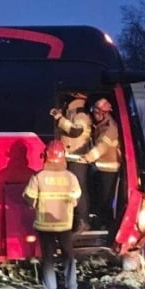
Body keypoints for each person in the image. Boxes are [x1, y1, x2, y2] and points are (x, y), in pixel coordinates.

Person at [24, 140, 82, 289]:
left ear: (46, 157)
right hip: (64, 224)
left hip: (45, 225)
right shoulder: (71, 177)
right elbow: (77, 196)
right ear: (64, 157)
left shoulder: (38, 177)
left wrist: (35, 203)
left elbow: (29, 198)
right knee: (68, 256)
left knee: (48, 258)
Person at [49, 92, 93, 232]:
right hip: (72, 158)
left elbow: (76, 131)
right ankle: (78, 220)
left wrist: (60, 119)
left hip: (77, 159)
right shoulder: (73, 113)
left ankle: (83, 221)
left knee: (79, 190)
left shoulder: (81, 114)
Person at [80, 97, 121, 229]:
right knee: (98, 196)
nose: (96, 114)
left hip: (109, 169)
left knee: (106, 199)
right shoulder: (101, 124)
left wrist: (87, 158)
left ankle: (106, 224)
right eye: (95, 111)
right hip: (101, 167)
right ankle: (98, 220)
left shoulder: (111, 128)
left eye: (99, 112)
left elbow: (102, 147)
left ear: (105, 113)